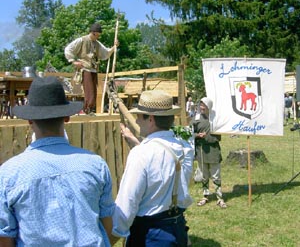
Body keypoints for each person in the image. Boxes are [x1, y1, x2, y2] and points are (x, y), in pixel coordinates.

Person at [0, 76, 116, 246]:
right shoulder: (95, 164)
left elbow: (5, 238)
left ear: (30, 120)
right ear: (67, 117)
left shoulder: (9, 173)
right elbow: (107, 224)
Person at [112, 90, 194, 246]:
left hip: (149, 234)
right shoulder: (185, 147)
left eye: (139, 116)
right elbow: (164, 164)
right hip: (178, 229)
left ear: (150, 119)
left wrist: (111, 237)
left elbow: (127, 204)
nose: (136, 120)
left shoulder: (141, 154)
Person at [65, 22, 119, 115]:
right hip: (85, 69)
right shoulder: (82, 40)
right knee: (89, 92)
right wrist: (73, 61)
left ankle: (89, 110)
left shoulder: (97, 44)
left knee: (93, 92)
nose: (98, 36)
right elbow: (68, 49)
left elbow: (105, 53)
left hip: (94, 69)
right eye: (98, 34)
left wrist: (114, 47)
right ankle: (87, 110)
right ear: (94, 32)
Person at [190, 97, 227, 209]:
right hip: (201, 150)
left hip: (213, 150)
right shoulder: (196, 118)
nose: (202, 108)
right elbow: (189, 133)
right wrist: (197, 136)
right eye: (200, 105)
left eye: (204, 106)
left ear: (209, 107)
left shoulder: (215, 118)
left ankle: (219, 198)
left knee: (216, 175)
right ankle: (205, 196)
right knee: (204, 175)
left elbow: (221, 133)